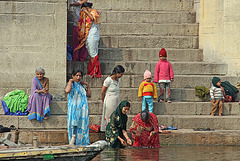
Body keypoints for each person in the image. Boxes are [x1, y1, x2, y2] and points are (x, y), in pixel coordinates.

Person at [74, 2, 102, 78]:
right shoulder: (86, 14)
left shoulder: (94, 12)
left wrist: (86, 12)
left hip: (93, 36)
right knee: (91, 53)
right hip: (89, 36)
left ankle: (95, 71)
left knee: (93, 54)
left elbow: (93, 18)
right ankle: (92, 71)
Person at [65, 69, 91, 145]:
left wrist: (87, 86)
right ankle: (72, 142)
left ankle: (82, 142)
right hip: (73, 109)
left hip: (82, 110)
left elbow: (89, 95)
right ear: (73, 76)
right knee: (72, 125)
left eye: (80, 76)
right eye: (76, 75)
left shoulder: (82, 85)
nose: (78, 77)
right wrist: (70, 81)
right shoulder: (71, 84)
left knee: (82, 125)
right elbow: (67, 90)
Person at [100, 65, 125, 131]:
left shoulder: (119, 80)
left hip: (116, 99)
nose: (121, 76)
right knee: (110, 116)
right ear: (117, 73)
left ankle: (115, 131)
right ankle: (109, 131)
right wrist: (103, 101)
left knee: (116, 116)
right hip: (109, 100)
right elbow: (103, 92)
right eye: (121, 74)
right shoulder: (108, 80)